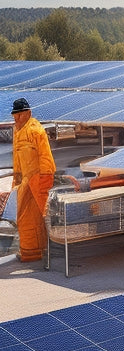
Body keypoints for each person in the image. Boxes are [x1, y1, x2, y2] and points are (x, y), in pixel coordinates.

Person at [11, 97, 56, 262]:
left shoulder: (36, 130)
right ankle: (31, 252)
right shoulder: (17, 131)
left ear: (28, 113)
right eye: (15, 116)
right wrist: (16, 179)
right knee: (24, 217)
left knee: (42, 217)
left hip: (38, 178)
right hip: (25, 181)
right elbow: (17, 157)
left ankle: (43, 251)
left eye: (19, 115)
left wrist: (45, 178)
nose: (16, 119)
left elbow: (46, 156)